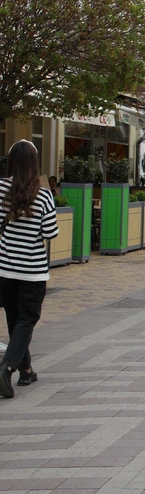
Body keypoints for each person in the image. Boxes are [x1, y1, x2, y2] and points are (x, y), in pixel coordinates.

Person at [0, 140, 59, 398]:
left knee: (15, 320)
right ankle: (7, 367)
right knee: (26, 321)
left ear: (11, 161)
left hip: (4, 269)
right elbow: (50, 233)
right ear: (34, 163)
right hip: (32, 270)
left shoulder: (0, 188)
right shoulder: (43, 194)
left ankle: (26, 370)